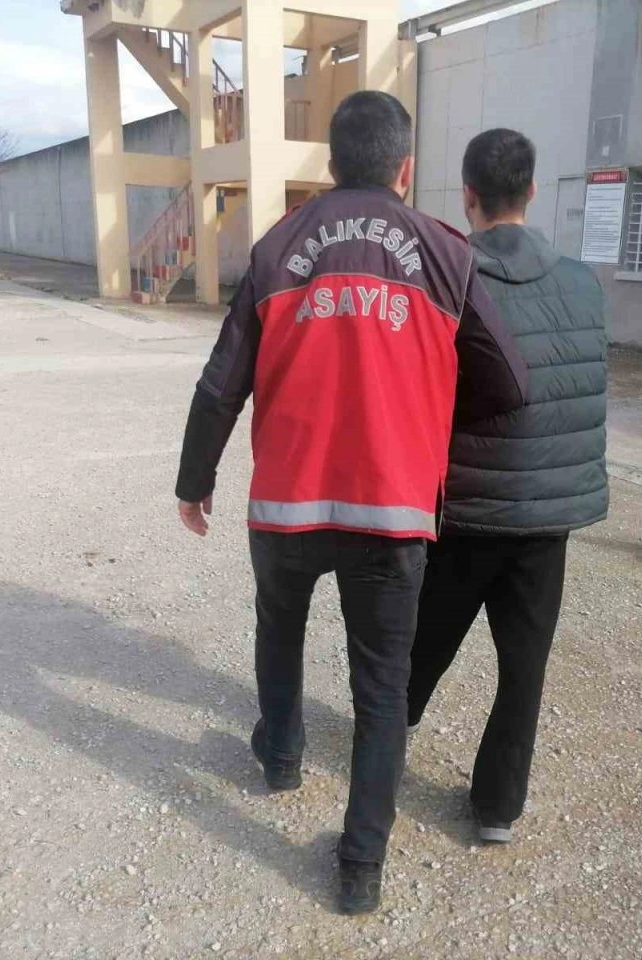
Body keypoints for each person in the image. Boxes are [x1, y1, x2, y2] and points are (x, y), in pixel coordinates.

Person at [173, 92, 527, 915]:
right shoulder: (445, 253)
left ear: (329, 165)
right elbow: (507, 382)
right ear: (405, 168)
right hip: (391, 512)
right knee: (380, 689)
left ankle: (281, 757)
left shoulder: (277, 247)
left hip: (287, 505)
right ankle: (360, 867)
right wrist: (424, 414)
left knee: (279, 630)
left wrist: (195, 480)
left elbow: (221, 384)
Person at [406, 128, 608, 845]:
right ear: (531, 191)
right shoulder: (583, 282)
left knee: (423, 641)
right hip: (546, 520)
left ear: (468, 196)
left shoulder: (450, 278)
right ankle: (497, 808)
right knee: (524, 668)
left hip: (466, 510)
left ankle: (390, 729)